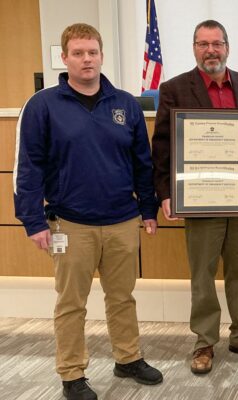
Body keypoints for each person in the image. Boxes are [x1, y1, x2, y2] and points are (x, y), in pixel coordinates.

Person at [13, 23, 163, 400]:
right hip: (70, 223)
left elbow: (142, 164)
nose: (86, 60)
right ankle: (72, 373)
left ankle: (127, 358)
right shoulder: (42, 105)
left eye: (92, 52)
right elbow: (28, 166)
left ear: (101, 56)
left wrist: (148, 210)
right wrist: (33, 220)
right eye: (78, 53)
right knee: (71, 303)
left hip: (122, 221)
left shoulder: (126, 104)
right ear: (64, 58)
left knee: (122, 296)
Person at [151, 19, 238, 375]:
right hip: (199, 197)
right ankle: (204, 341)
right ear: (194, 49)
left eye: (217, 44)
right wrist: (165, 193)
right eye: (203, 44)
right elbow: (161, 145)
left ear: (227, 47)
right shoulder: (173, 89)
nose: (211, 51)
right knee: (202, 273)